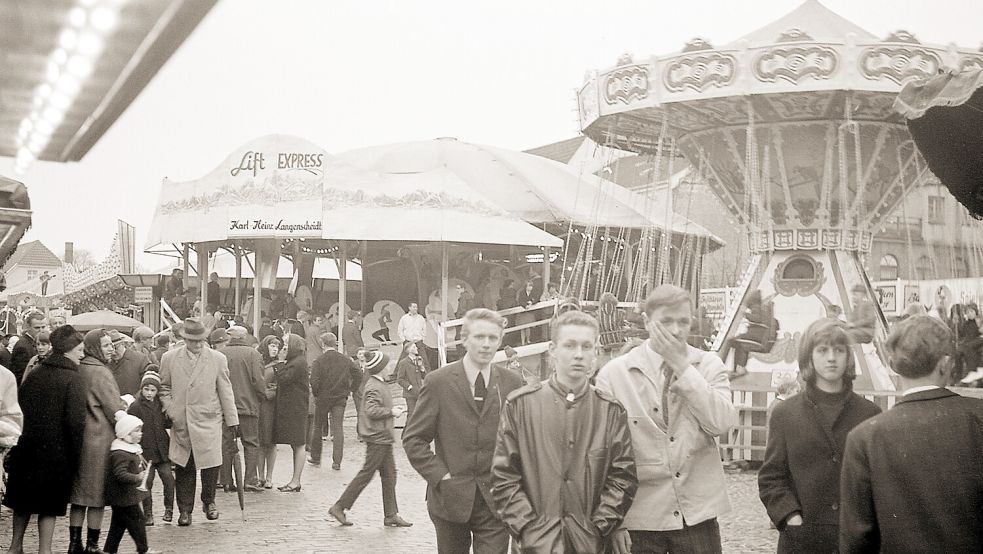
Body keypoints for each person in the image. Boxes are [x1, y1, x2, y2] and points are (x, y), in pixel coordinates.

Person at [595, 284, 738, 554]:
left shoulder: (708, 366)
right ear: (647, 322)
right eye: (666, 322)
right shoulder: (614, 375)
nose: (675, 330)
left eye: (683, 321)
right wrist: (616, 520)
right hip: (640, 516)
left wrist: (684, 369)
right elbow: (603, 456)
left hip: (696, 515)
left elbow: (721, 423)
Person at [491, 310, 638, 552]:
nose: (578, 355)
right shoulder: (520, 406)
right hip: (534, 544)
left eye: (586, 346)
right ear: (552, 350)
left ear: (596, 353)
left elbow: (623, 477)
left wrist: (599, 527)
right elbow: (504, 476)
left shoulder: (610, 411)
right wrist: (528, 528)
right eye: (570, 345)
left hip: (590, 543)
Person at [840, 316, 983, 553]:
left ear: (893, 366)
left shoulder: (864, 438)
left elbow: (856, 538)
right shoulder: (978, 419)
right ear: (945, 363)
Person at [403, 308, 525, 553]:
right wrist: (441, 476)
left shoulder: (512, 383)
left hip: (496, 501)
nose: (486, 344)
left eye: (493, 338)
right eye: (480, 337)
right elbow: (414, 438)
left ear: (500, 341)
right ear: (464, 339)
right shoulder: (439, 382)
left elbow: (522, 440)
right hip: (450, 500)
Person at [757, 318, 881, 553]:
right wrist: (790, 517)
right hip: (802, 540)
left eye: (839, 350)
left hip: (854, 541)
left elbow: (878, 482)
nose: (831, 358)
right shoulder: (786, 413)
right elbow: (772, 477)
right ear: (809, 357)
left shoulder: (869, 414)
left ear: (848, 356)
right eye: (822, 350)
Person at [3, 325, 85, 554]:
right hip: (57, 452)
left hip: (27, 447)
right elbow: (76, 422)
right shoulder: (73, 378)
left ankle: (15, 546)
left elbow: (20, 407)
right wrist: (76, 453)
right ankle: (44, 551)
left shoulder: (36, 372)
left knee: (22, 500)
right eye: (79, 349)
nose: (82, 354)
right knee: (49, 505)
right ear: (68, 350)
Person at [159, 318, 239, 526]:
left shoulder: (218, 359)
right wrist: (171, 409)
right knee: (185, 466)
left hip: (209, 419)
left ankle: (209, 502)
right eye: (192, 341)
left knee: (211, 465)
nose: (197, 345)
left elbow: (225, 390)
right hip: (182, 420)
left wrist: (232, 420)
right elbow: (164, 388)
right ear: (184, 339)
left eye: (200, 341)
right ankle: (185, 510)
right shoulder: (169, 359)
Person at [328, 352, 412, 527]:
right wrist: (392, 412)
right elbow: (372, 411)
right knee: (367, 474)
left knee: (389, 475)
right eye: (387, 364)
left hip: (382, 437)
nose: (390, 367)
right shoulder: (374, 386)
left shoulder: (378, 383)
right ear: (380, 368)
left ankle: (391, 514)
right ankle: (339, 506)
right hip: (378, 437)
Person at [70, 329, 129, 554]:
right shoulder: (101, 372)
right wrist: (125, 406)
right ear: (95, 348)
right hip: (100, 439)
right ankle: (92, 544)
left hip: (81, 438)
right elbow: (113, 408)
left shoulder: (78, 367)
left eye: (111, 344)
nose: (111, 348)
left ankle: (74, 543)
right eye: (105, 345)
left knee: (79, 495)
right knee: (96, 496)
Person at [102, 415, 161, 554]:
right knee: (138, 520)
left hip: (124, 496)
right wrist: (137, 477)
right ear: (127, 433)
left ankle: (109, 550)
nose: (141, 433)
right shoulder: (121, 453)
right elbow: (119, 474)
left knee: (118, 524)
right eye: (137, 430)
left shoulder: (130, 449)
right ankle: (143, 548)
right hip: (123, 497)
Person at [218, 326, 267, 491]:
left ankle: (226, 480)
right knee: (251, 443)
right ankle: (250, 480)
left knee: (226, 445)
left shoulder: (221, 354)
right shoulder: (253, 354)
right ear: (245, 337)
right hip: (248, 406)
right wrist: (260, 397)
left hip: (225, 408)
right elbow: (258, 382)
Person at [126, 370, 174, 525]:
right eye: (146, 389)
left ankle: (169, 510)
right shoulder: (135, 406)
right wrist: (136, 450)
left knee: (168, 479)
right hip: (145, 451)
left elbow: (167, 423)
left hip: (162, 450)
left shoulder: (161, 404)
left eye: (153, 390)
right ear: (141, 389)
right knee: (147, 482)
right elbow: (132, 428)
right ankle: (148, 513)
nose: (149, 393)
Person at [308, 332, 361, 470]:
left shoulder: (319, 361)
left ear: (323, 344)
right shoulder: (345, 359)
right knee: (338, 428)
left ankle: (315, 457)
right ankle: (337, 461)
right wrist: (351, 389)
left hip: (323, 397)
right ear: (335, 343)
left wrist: (317, 394)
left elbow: (314, 381)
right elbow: (358, 374)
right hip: (340, 397)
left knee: (318, 427)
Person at [272, 333, 309, 491]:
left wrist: (279, 363)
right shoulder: (296, 361)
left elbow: (284, 379)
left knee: (299, 443)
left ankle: (296, 481)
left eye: (286, 344)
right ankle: (295, 480)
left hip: (296, 407)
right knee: (296, 444)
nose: (283, 347)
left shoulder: (298, 362)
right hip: (295, 406)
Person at [256, 335, 283, 488]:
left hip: (273, 406)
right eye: (272, 346)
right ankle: (260, 475)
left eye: (276, 346)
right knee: (260, 441)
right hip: (260, 405)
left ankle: (269, 477)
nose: (275, 349)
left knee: (271, 442)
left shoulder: (278, 365)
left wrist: (272, 391)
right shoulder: (258, 360)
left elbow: (281, 384)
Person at [725, 290, 771, 378]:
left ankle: (738, 368)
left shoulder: (755, 307)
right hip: (758, 334)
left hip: (755, 335)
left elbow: (757, 319)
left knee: (734, 342)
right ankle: (740, 367)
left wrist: (744, 314)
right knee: (739, 343)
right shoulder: (759, 306)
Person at [108, 329, 151, 397]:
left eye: (116, 348)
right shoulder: (105, 362)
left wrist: (133, 398)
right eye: (110, 349)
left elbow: (149, 385)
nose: (113, 352)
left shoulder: (140, 359)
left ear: (122, 344)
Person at [395, 341, 427, 421]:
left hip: (419, 391)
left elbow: (424, 376)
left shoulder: (419, 360)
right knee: (411, 415)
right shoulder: (403, 363)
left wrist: (422, 368)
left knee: (420, 414)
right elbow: (400, 379)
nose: (416, 348)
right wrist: (409, 387)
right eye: (414, 347)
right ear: (409, 350)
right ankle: (407, 432)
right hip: (410, 394)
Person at [10, 311, 45, 385]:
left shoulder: (35, 343)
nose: (41, 330)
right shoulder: (23, 346)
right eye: (37, 328)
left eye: (43, 327)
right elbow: (21, 376)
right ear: (28, 327)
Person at [397, 302, 429, 368]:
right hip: (408, 341)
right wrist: (404, 340)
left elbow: (424, 329)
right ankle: (395, 374)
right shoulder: (404, 318)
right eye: (414, 307)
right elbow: (400, 330)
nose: (415, 309)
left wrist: (422, 338)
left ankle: (428, 373)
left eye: (416, 307)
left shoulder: (420, 318)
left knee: (424, 358)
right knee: (403, 358)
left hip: (418, 341)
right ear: (409, 308)